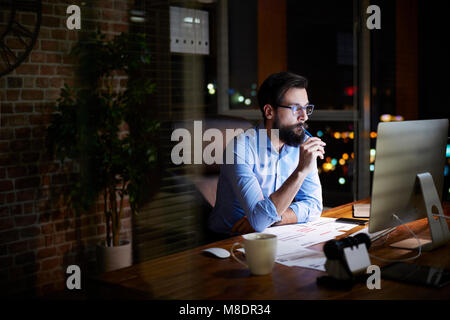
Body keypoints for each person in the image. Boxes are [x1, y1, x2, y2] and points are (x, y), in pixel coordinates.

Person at [208, 72, 326, 236]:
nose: (304, 116)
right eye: (296, 108)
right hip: (228, 241)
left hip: (270, 234)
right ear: (269, 111)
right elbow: (258, 221)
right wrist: (301, 171)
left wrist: (277, 218)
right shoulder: (239, 148)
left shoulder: (302, 143)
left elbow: (314, 205)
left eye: (306, 108)